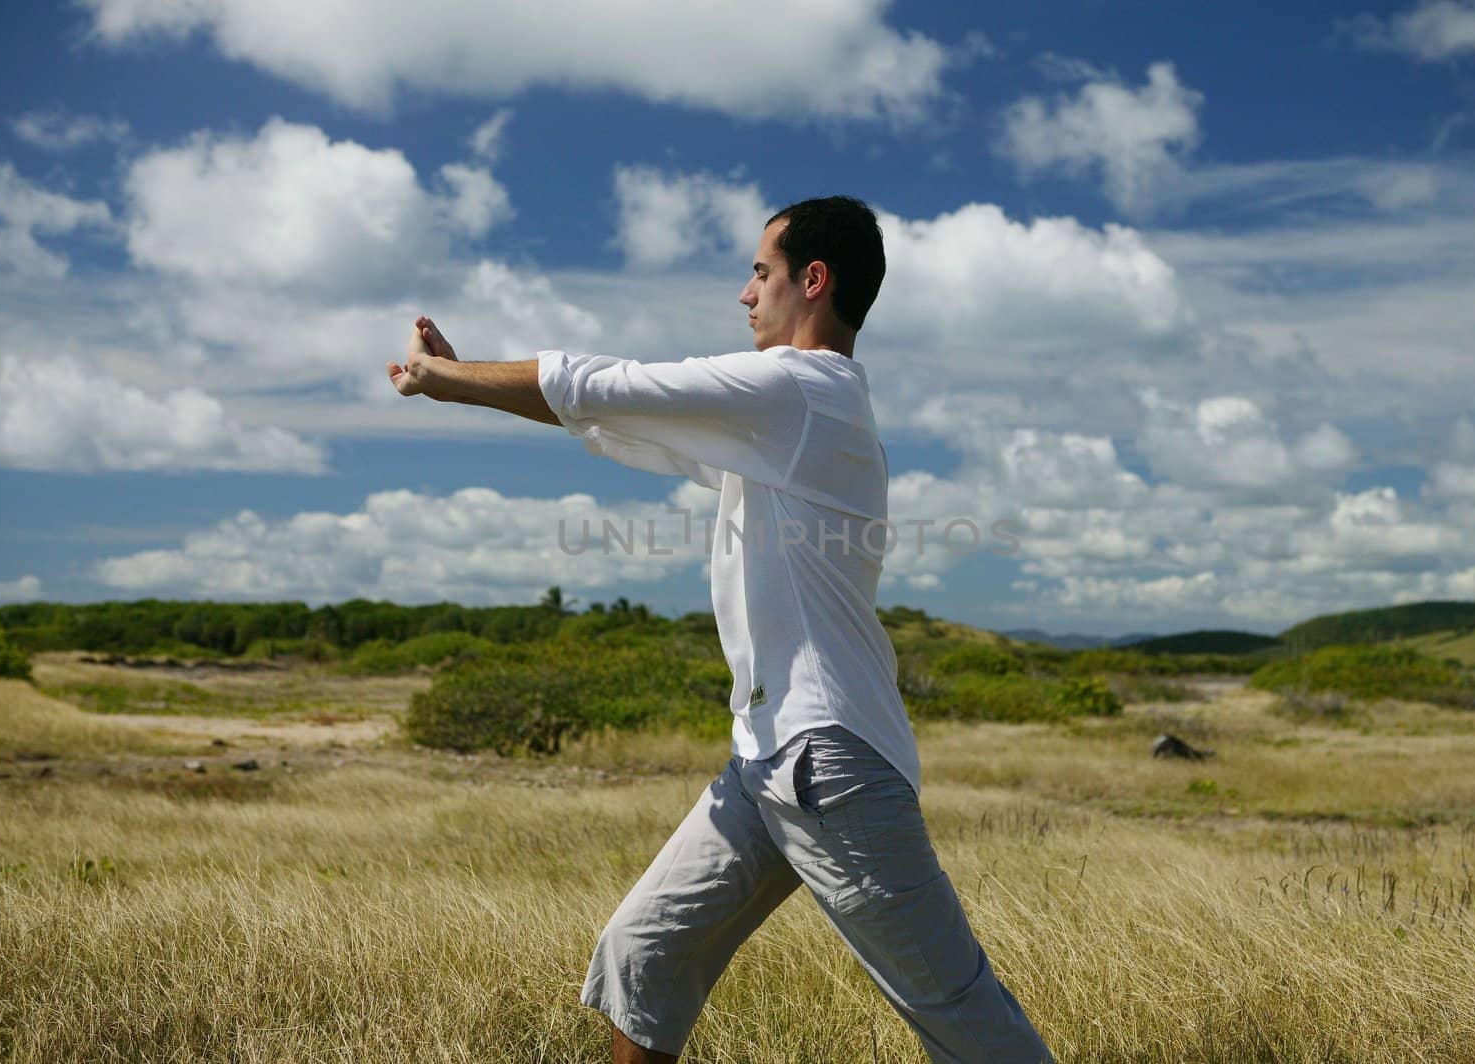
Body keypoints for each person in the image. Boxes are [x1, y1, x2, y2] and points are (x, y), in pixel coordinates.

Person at [388, 196, 1053, 1063]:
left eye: (760, 272)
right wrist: (473, 388)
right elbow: (618, 420)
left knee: (961, 1014)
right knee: (646, 953)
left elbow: (606, 385)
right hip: (764, 758)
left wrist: (448, 378)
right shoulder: (785, 420)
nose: (745, 294)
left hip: (828, 761)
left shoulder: (800, 391)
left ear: (813, 281)